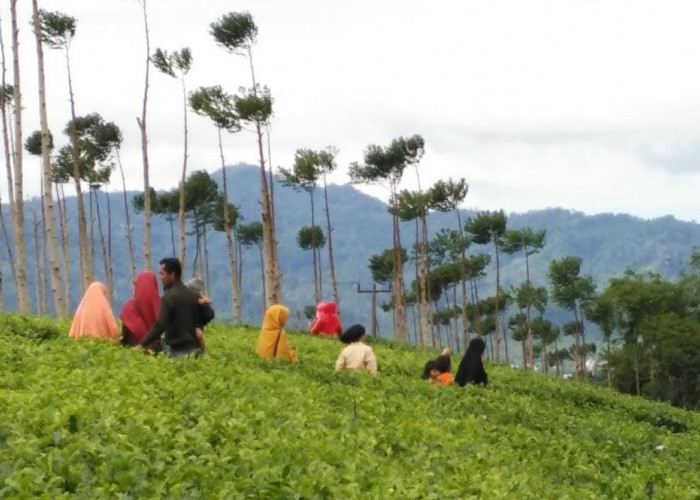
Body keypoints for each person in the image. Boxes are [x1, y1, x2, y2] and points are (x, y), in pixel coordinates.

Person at [139, 258, 215, 358]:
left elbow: (160, 325)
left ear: (172, 274)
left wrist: (141, 345)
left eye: (162, 274)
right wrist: (198, 325)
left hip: (177, 352)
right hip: (195, 350)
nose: (160, 278)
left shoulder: (169, 297)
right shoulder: (193, 295)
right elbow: (209, 314)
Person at [119, 271, 161, 350]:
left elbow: (124, 336)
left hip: (134, 353)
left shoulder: (129, 307)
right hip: (155, 352)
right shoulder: (160, 305)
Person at [185, 277, 214, 356]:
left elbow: (208, 301)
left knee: (199, 335)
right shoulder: (188, 297)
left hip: (201, 318)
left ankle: (203, 352)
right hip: (193, 318)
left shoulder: (200, 297)